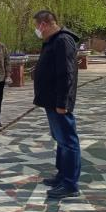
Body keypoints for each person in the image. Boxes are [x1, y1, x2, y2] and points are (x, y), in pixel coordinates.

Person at [32, 10, 81, 199]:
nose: (37, 30)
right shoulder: (52, 41)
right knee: (61, 139)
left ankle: (70, 184)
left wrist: (63, 102)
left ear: (44, 24)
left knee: (68, 141)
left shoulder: (62, 41)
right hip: (51, 100)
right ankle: (62, 175)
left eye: (37, 26)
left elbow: (66, 74)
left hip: (58, 102)